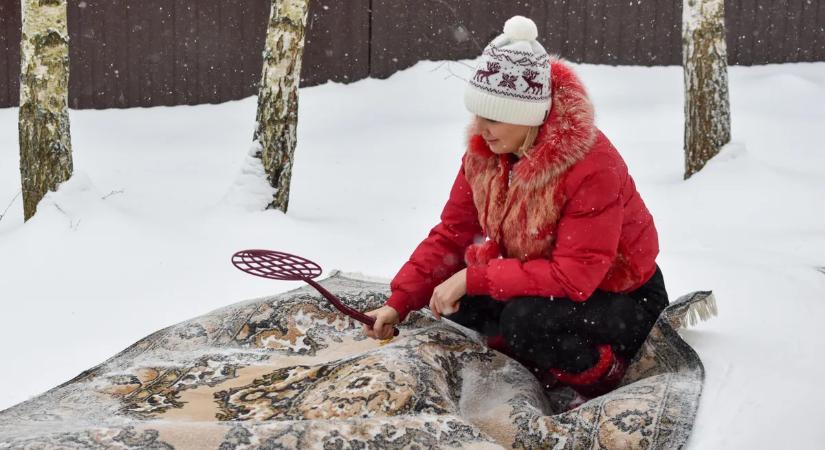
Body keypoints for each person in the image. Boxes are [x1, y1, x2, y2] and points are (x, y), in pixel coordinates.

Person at [362, 15, 668, 400]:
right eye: (478, 114)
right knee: (452, 301)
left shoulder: (591, 165)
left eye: (494, 117)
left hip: (620, 295)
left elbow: (576, 276)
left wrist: (475, 278)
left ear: (529, 115)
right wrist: (398, 303)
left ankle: (605, 375)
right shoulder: (487, 152)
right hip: (550, 279)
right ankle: (536, 359)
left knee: (524, 320)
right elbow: (454, 234)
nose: (481, 127)